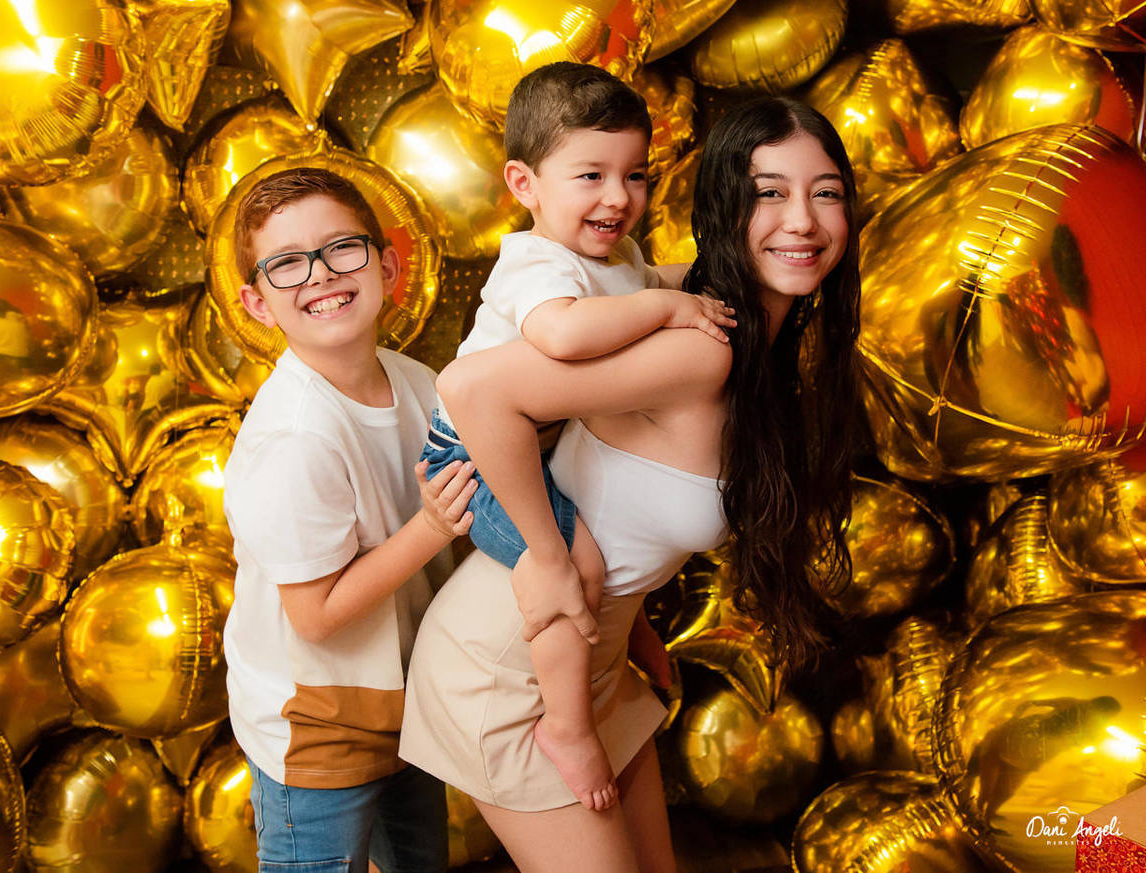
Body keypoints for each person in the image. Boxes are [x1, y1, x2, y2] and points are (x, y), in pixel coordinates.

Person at [400, 95, 861, 872]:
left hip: (598, 659)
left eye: (826, 192)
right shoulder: (698, 348)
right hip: (510, 668)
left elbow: (620, 500)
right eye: (769, 192)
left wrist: (634, 624)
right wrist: (548, 556)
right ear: (725, 206)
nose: (803, 221)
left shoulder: (738, 335)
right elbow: (473, 389)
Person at [418, 61, 734, 812]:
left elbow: (646, 283)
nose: (617, 197)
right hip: (473, 456)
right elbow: (563, 335)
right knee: (576, 564)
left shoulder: (613, 255)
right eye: (590, 176)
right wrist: (667, 312)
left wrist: (710, 277)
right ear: (524, 184)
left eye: (635, 175)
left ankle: (608, 654)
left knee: (596, 539)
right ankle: (565, 727)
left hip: (530, 440)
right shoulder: (533, 265)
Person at [222, 167, 479, 873]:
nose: (321, 274)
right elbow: (316, 616)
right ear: (259, 303)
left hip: (408, 696)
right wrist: (432, 527)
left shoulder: (420, 383)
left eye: (342, 247)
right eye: (287, 263)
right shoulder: (295, 438)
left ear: (388, 266)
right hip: (318, 723)